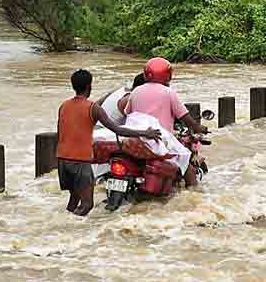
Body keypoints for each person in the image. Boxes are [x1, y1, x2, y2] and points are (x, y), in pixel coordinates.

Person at [58, 69, 160, 216]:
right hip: (80, 160)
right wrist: (145, 133)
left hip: (62, 159)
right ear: (89, 86)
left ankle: (62, 228)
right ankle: (69, 234)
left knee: (74, 200)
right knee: (87, 205)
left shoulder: (64, 106)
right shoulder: (93, 108)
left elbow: (61, 132)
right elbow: (118, 130)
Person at [125, 57, 209, 186]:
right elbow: (184, 117)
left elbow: (128, 113)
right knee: (187, 165)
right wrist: (198, 127)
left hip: (137, 140)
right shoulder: (168, 92)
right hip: (161, 140)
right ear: (167, 75)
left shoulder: (136, 91)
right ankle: (195, 195)